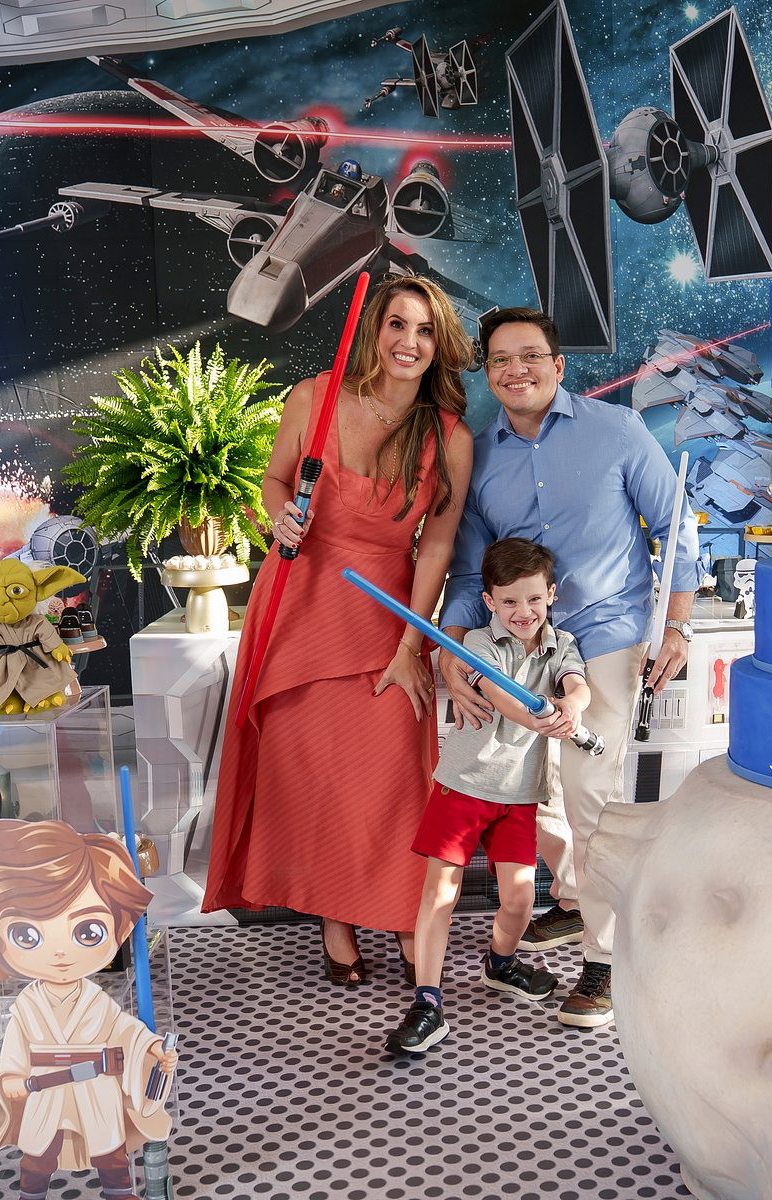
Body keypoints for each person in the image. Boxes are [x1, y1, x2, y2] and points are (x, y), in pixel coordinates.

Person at [204, 276, 475, 987]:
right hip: (301, 602)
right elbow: (275, 482)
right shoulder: (313, 397)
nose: (408, 342)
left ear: (440, 344)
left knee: (393, 779)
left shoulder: (450, 437)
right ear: (374, 331)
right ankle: (336, 921)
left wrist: (411, 645)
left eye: (424, 330)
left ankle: (406, 918)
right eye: (396, 324)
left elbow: (437, 548)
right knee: (315, 774)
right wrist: (281, 517)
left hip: (387, 613)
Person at [439, 308, 701, 1028]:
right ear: (488, 372)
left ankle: (605, 962)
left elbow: (676, 525)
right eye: (500, 359)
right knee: (537, 791)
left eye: (530, 355)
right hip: (524, 646)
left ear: (559, 365)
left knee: (590, 795)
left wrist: (677, 624)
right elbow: (470, 570)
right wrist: (452, 650)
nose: (514, 369)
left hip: (608, 637)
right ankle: (580, 898)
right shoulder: (479, 456)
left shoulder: (619, 430)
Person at [386, 539, 589, 1054]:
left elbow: (577, 684)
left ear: (551, 595)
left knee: (521, 899)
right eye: (510, 601)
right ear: (490, 601)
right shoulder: (477, 642)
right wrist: (542, 721)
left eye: (535, 599)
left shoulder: (562, 643)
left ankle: (500, 963)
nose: (524, 612)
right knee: (440, 894)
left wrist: (572, 706)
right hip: (464, 786)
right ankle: (427, 1003)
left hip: (519, 794)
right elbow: (500, 697)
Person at [0, 820, 179, 1200]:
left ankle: (120, 1193)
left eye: (87, 932)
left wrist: (152, 1048)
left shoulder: (94, 999)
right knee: (39, 1155)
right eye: (26, 935)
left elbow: (124, 1030)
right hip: (45, 1086)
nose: (59, 952)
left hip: (95, 1085)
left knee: (110, 1151)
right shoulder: (28, 1004)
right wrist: (12, 1078)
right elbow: (15, 1050)